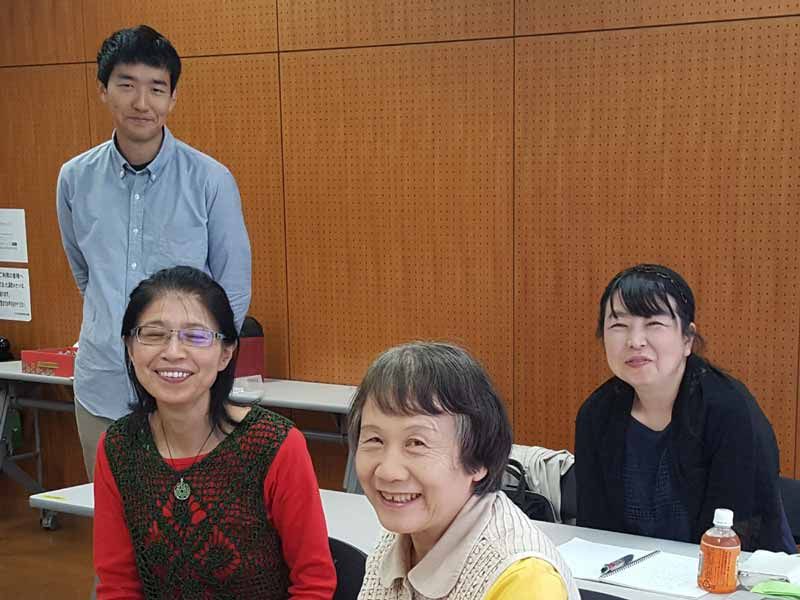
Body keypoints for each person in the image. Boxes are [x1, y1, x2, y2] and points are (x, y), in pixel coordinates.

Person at [56, 24, 252, 481]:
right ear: (103, 89)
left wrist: (200, 367)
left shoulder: (210, 180)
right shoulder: (74, 179)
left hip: (186, 391)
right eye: (127, 85)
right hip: (102, 386)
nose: (142, 103)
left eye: (156, 89)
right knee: (109, 515)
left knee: (191, 518)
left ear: (173, 97)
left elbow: (232, 292)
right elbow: (86, 274)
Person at [93, 266, 335, 598]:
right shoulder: (119, 447)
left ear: (225, 353)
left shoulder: (274, 445)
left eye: (195, 336)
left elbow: (314, 584)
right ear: (130, 348)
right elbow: (118, 585)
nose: (173, 352)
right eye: (154, 334)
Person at [575, 263, 795, 552]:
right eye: (619, 326)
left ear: (687, 339)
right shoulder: (596, 414)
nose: (635, 341)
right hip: (628, 571)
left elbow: (735, 535)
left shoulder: (728, 411)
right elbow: (594, 532)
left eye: (654, 324)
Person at [349, 341, 580, 600]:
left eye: (416, 443)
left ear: (478, 458)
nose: (388, 471)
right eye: (374, 440)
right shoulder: (401, 535)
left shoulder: (526, 582)